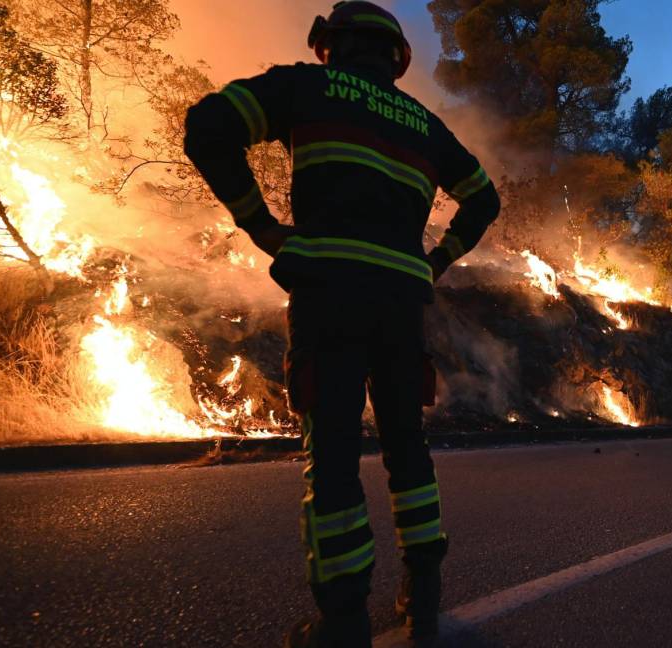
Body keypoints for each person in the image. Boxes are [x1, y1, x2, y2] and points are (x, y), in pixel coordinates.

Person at [183, 2, 501, 646]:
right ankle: (425, 597)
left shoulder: (308, 85)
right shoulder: (424, 122)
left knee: (332, 454)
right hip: (399, 306)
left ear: (335, 45)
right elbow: (484, 198)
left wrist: (265, 228)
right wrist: (432, 262)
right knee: (407, 446)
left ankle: (345, 618)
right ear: (394, 57)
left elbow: (209, 124)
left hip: (329, 294)